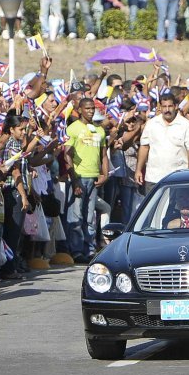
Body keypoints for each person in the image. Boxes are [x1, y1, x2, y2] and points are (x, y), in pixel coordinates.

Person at [65, 98, 109, 262]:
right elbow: (66, 154)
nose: (90, 111)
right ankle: (76, 251)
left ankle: (89, 249)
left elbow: (103, 154)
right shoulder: (73, 128)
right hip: (79, 177)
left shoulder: (100, 130)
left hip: (94, 178)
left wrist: (106, 173)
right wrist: (74, 180)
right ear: (80, 109)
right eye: (87, 108)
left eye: (92, 108)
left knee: (90, 216)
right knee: (76, 217)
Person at [135, 93, 189, 191]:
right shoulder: (151, 124)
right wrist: (138, 170)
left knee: (176, 207)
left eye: (170, 106)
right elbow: (144, 147)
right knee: (154, 206)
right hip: (154, 178)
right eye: (164, 106)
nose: (167, 110)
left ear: (176, 106)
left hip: (178, 178)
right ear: (160, 107)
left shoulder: (186, 125)